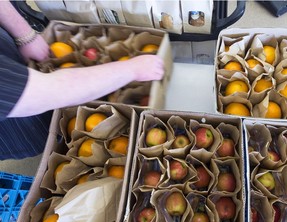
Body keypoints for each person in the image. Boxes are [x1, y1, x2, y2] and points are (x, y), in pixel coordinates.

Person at [0, 0, 164, 160]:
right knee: (39, 130)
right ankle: (56, 138)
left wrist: (24, 35)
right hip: (18, 111)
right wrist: (132, 69)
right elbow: (44, 92)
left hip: (10, 51)